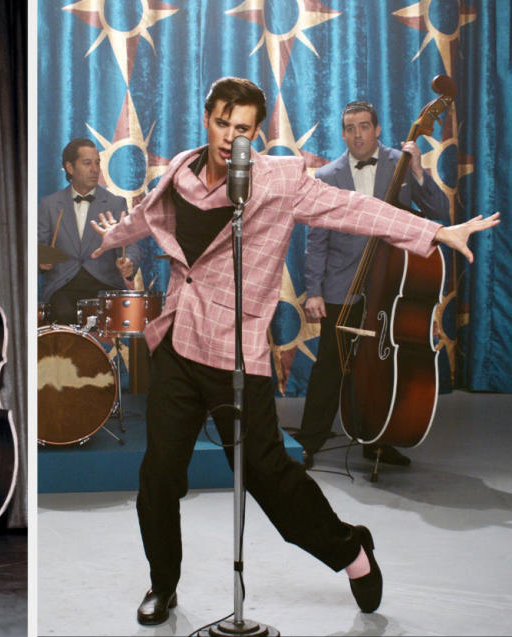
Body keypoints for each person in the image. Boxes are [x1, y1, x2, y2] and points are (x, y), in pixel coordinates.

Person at [89, 76, 499, 626]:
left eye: (243, 129)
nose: (229, 136)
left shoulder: (277, 182)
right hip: (180, 346)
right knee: (159, 474)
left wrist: (431, 231)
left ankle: (351, 550)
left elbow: (349, 208)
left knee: (269, 479)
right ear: (206, 117)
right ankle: (163, 584)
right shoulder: (181, 170)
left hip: (237, 355)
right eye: (222, 122)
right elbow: (151, 217)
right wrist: (117, 233)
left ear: (255, 134)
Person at [296, 100, 451, 469]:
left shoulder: (401, 162)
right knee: (331, 366)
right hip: (341, 286)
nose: (357, 134)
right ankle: (309, 442)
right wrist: (314, 290)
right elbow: (317, 239)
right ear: (343, 133)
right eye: (350, 128)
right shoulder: (328, 175)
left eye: (364, 126)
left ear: (377, 129)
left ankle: (377, 438)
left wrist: (417, 173)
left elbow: (440, 215)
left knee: (382, 368)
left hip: (392, 287)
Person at [38, 138, 140, 325]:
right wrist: (41, 261)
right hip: (63, 286)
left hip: (104, 285)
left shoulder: (116, 204)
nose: (95, 169)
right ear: (70, 168)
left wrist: (128, 263)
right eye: (87, 163)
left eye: (97, 162)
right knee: (62, 313)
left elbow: (130, 245)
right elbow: (38, 247)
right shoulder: (49, 205)